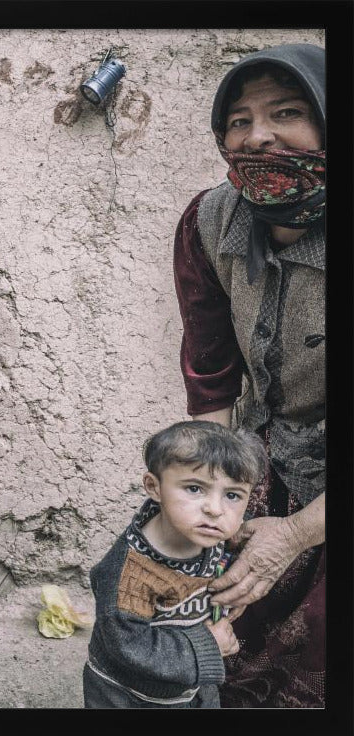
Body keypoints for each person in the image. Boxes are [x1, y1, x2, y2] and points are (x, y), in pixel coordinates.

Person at [173, 44, 326, 707]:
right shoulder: (209, 223)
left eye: (287, 112)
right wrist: (213, 496)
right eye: (238, 120)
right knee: (209, 625)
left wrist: (293, 535)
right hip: (263, 456)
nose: (258, 134)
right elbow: (211, 377)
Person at [83, 421, 266, 708]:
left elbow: (218, 569)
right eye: (194, 489)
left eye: (232, 495)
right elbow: (128, 645)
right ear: (154, 487)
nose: (215, 509)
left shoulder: (209, 535)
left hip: (190, 687)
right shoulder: (130, 573)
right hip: (128, 695)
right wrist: (208, 646)